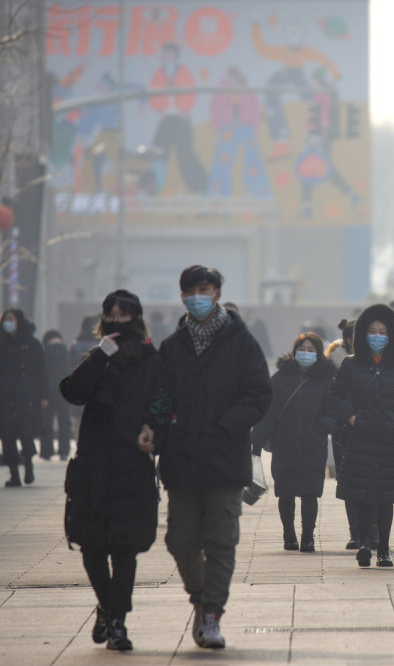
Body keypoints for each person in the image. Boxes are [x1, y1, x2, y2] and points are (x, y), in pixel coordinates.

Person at [158, 265, 272, 649]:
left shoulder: (241, 342)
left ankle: (211, 616)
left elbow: (259, 394)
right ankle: (201, 596)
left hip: (225, 461)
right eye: (190, 291)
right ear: (182, 297)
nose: (197, 297)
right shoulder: (172, 347)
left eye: (203, 289)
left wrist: (227, 425)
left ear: (218, 293)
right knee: (180, 541)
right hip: (182, 461)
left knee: (221, 543)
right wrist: (159, 432)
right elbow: (158, 398)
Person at [60, 290, 169, 651]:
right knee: (91, 547)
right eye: (111, 313)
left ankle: (118, 621)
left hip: (130, 463)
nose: (117, 320)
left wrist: (153, 427)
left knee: (123, 549)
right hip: (92, 463)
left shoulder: (152, 360)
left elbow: (165, 400)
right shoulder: (98, 355)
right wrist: (100, 355)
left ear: (136, 319)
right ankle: (107, 606)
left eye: (125, 314)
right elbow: (72, 392)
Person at [325, 303, 394, 568]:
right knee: (363, 495)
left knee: (385, 497)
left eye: (383, 332)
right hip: (361, 438)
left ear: (391, 337)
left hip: (390, 439)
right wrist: (353, 418)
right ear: (363, 335)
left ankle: (384, 549)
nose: (377, 336)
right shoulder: (351, 365)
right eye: (372, 331)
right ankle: (364, 542)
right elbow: (334, 396)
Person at [252, 332, 335, 553]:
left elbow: (335, 408)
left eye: (311, 350)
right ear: (294, 351)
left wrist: (324, 425)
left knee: (310, 493)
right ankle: (289, 534)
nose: (305, 354)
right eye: (302, 349)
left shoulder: (327, 379)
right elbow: (268, 413)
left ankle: (308, 536)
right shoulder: (279, 379)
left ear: (318, 354)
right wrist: (257, 442)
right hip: (284, 444)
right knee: (285, 492)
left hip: (313, 444)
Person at [0, 308, 48, 487]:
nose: (7, 322)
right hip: (6, 395)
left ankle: (29, 466)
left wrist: (44, 394)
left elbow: (42, 371)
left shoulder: (32, 344)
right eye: (5, 319)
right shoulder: (0, 343)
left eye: (11, 319)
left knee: (26, 433)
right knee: (7, 436)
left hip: (27, 395)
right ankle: (14, 474)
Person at [324, 318, 360, 548]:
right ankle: (355, 531)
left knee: (374, 481)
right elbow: (326, 399)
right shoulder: (332, 365)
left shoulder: (383, 363)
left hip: (372, 429)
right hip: (343, 431)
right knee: (348, 482)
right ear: (349, 339)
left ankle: (374, 530)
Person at [40, 330, 73, 460]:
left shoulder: (45, 352)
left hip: (48, 392)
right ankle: (64, 451)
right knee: (64, 422)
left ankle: (46, 451)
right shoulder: (65, 351)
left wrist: (43, 394)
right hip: (64, 391)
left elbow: (41, 374)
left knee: (47, 422)